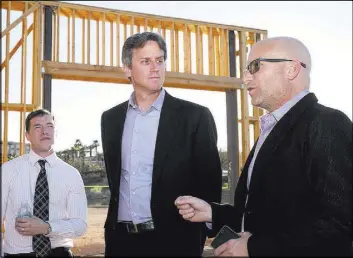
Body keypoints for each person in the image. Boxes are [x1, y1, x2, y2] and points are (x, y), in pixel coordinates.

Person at [175, 36, 352, 256]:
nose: (246, 78)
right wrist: (213, 213)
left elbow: (340, 225)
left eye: (254, 66)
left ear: (291, 69)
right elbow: (261, 214)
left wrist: (253, 248)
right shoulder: (271, 128)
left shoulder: (327, 123)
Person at [101, 31, 223, 256]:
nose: (155, 67)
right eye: (145, 61)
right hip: (121, 242)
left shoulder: (195, 116)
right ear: (127, 69)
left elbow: (210, 183)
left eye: (159, 60)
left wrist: (199, 235)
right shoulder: (110, 119)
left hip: (175, 242)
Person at [1, 109, 88, 257]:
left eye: (49, 126)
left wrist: (46, 227)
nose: (44, 131)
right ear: (27, 135)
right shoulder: (8, 170)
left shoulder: (72, 174)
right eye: (37, 127)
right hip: (17, 253)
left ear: (55, 133)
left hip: (59, 253)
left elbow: (80, 225)